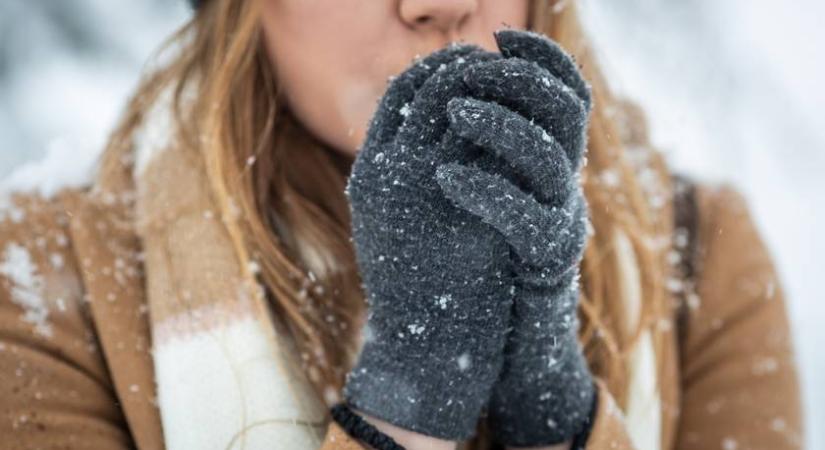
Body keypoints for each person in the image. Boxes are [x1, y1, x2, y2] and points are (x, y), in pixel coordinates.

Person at [0, 0, 803, 449]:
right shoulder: (45, 281)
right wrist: (407, 397)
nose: (439, 4)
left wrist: (555, 422)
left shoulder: (700, 260)